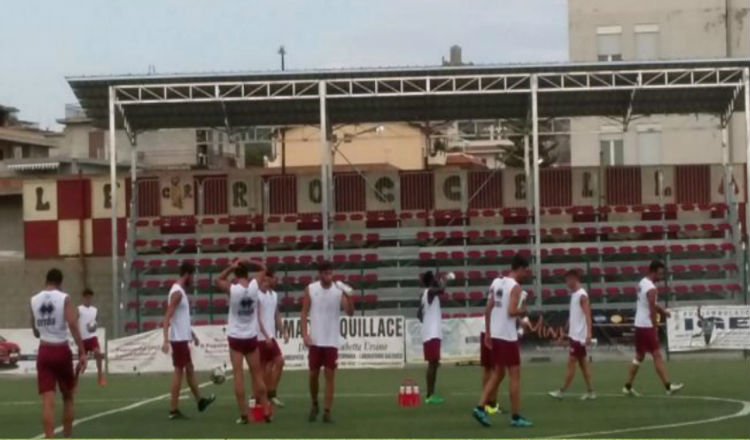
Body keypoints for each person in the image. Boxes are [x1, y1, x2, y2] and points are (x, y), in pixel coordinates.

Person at [473, 254, 533, 428]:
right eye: (526, 271)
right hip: (507, 336)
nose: (526, 275)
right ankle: (516, 416)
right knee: (515, 375)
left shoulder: (496, 282)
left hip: (496, 334)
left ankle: (480, 407)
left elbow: (488, 309)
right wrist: (524, 311)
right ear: (519, 269)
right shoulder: (516, 287)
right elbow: (511, 311)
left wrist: (488, 333)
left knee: (498, 373)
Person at [30, 268, 88, 439]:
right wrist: (82, 351)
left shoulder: (34, 300)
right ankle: (67, 436)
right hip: (61, 350)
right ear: (60, 283)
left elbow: (35, 331)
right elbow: (72, 324)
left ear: (46, 281)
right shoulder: (64, 298)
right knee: (68, 397)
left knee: (48, 402)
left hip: (44, 351)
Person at [216, 259, 271, 424]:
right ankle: (266, 411)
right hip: (251, 336)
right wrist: (248, 260)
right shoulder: (254, 286)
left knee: (238, 375)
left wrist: (230, 267)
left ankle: (244, 415)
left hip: (236, 336)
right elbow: (264, 267)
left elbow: (218, 280)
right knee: (257, 375)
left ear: (236, 275)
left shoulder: (233, 289)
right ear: (247, 274)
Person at [301, 261, 355, 423]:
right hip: (316, 340)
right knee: (313, 375)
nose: (329, 276)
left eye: (330, 273)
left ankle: (327, 410)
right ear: (320, 274)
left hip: (331, 340)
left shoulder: (338, 291)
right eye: (325, 273)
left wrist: (349, 296)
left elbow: (350, 312)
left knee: (330, 375)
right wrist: (305, 334)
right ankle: (314, 403)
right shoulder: (311, 289)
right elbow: (304, 313)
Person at [161, 262, 215, 420]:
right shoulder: (177, 293)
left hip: (183, 338)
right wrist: (165, 340)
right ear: (187, 274)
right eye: (192, 275)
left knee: (189, 369)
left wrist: (192, 334)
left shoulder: (179, 292)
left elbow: (181, 319)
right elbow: (167, 316)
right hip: (178, 339)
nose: (193, 279)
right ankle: (173, 410)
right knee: (179, 372)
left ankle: (200, 401)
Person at [623, 260, 684, 396]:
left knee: (639, 356)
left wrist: (663, 312)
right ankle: (668, 386)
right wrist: (655, 328)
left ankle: (627, 386)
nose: (661, 277)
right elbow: (651, 308)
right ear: (653, 272)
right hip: (646, 325)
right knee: (657, 354)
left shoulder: (642, 282)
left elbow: (649, 304)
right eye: (660, 273)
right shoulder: (652, 289)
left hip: (639, 324)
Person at [548, 269, 595, 400]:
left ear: (574, 279)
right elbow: (572, 316)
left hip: (579, 337)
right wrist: (564, 332)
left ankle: (562, 391)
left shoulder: (582, 295)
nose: (567, 283)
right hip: (574, 335)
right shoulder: (574, 295)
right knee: (583, 364)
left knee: (571, 363)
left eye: (568, 280)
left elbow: (588, 315)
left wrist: (589, 334)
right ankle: (591, 391)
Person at [257, 272, 289, 408]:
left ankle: (271, 393)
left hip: (271, 336)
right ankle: (261, 396)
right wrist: (265, 336)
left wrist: (283, 331)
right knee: (263, 369)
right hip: (260, 337)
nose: (274, 281)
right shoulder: (257, 295)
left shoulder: (274, 295)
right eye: (269, 279)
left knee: (278, 362)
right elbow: (257, 318)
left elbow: (276, 315)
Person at [418, 270, 447, 405]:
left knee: (434, 363)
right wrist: (444, 280)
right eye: (434, 279)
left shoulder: (425, 295)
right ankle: (429, 395)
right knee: (432, 364)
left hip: (430, 332)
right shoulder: (430, 292)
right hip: (432, 333)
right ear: (431, 281)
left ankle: (431, 394)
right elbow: (442, 290)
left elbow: (419, 315)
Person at [78, 288, 106, 387]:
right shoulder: (79, 309)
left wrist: (93, 326)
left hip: (92, 337)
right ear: (83, 298)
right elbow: (75, 321)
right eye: (87, 298)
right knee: (81, 363)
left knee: (98, 353)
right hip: (82, 339)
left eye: (90, 298)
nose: (88, 300)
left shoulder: (95, 310)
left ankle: (100, 377)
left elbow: (95, 321)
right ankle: (75, 380)